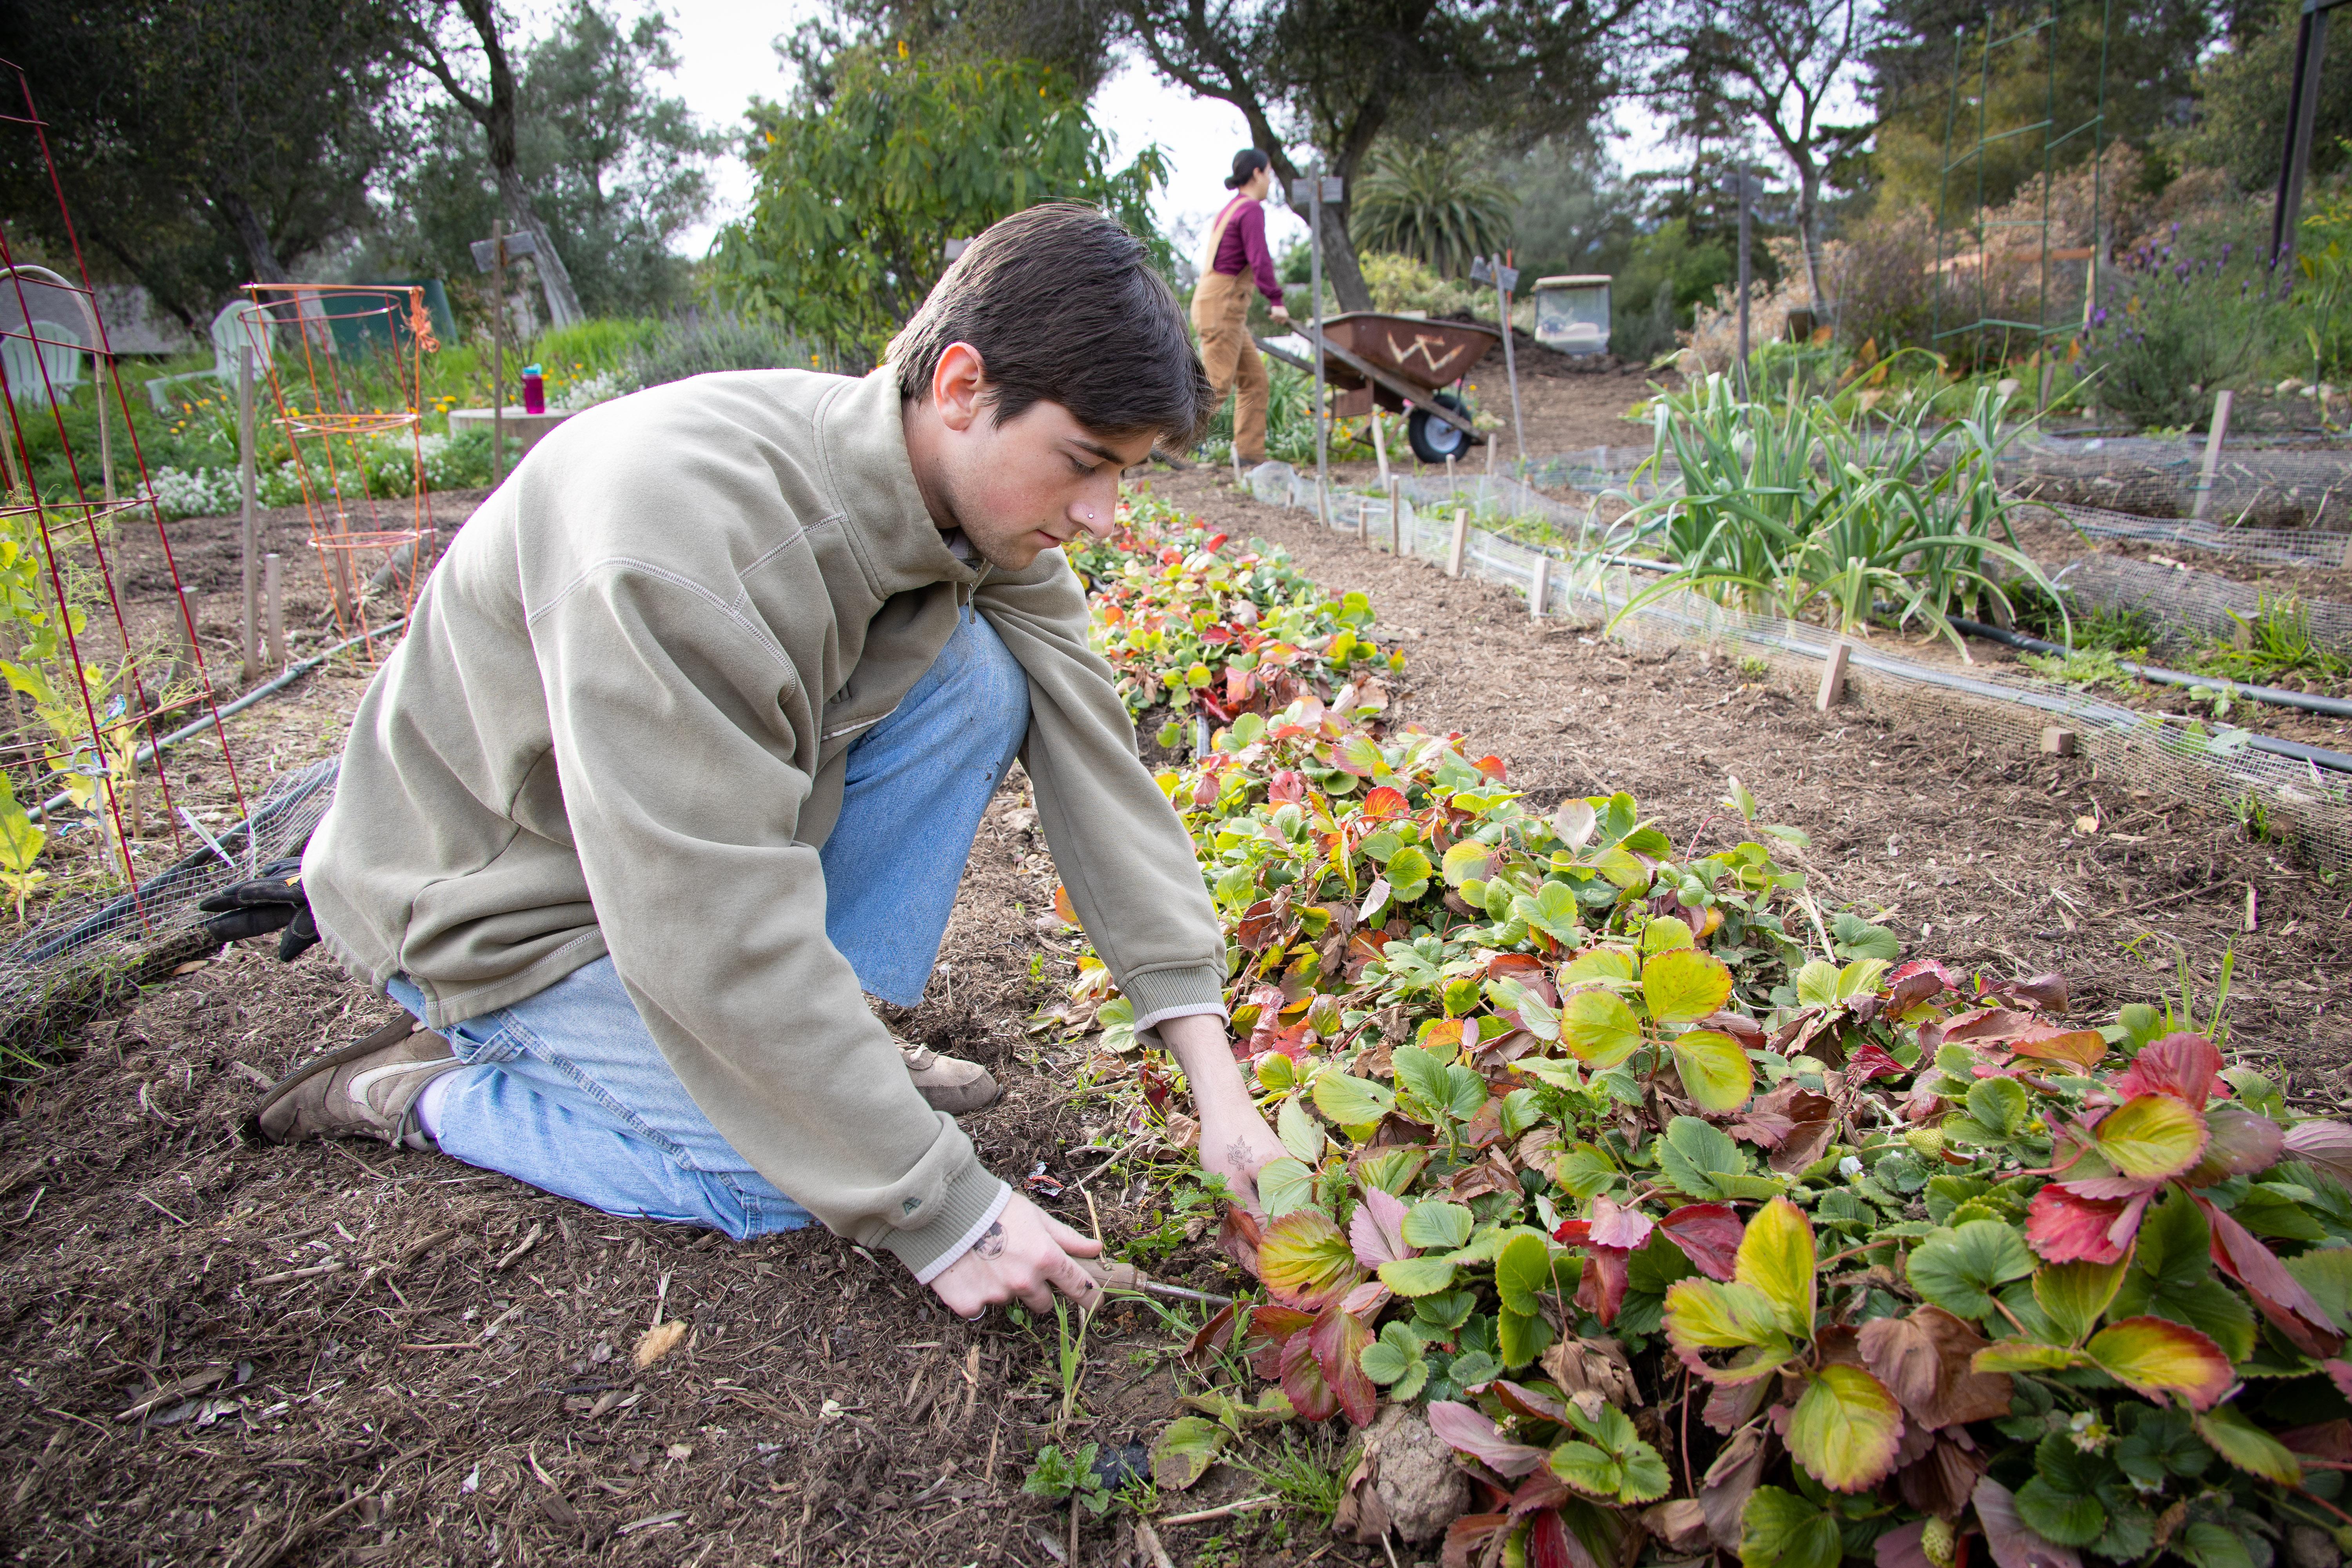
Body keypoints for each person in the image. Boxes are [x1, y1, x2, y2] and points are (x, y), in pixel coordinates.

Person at [226, 203, 1289, 1319]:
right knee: (795, 1182)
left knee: (983, 678)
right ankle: (427, 1089)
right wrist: (944, 1208)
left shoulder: (973, 506)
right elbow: (704, 916)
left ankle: (833, 1055)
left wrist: (1218, 1086)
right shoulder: (683, 551)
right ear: (965, 387)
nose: (1105, 514)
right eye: (1085, 464)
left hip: (665, 856)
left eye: (1125, 473)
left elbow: (1095, 761)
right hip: (507, 903)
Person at [1191, 148, 1289, 466]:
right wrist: (1276, 299)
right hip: (1224, 306)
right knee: (1218, 382)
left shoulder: (1231, 210)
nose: (1271, 180)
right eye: (1270, 173)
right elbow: (1260, 260)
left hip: (1218, 304)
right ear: (1258, 174)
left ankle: (1250, 455)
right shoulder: (1250, 210)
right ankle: (1170, 443)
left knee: (1255, 380)